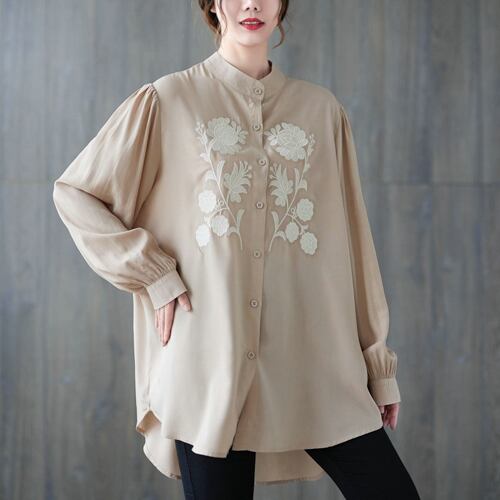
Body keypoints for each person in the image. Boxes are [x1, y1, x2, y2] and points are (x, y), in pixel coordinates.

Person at [52, 0, 421, 498]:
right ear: (212, 4)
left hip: (315, 363)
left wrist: (377, 364)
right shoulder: (170, 100)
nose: (252, 3)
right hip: (207, 367)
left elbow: (355, 246)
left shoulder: (321, 112)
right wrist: (154, 274)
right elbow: (76, 194)